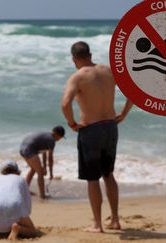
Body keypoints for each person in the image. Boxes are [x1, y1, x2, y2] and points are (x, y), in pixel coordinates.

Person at [61, 41, 132, 233]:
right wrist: (123, 114)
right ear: (90, 55)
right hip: (110, 127)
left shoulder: (77, 77)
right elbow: (133, 92)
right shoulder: (109, 71)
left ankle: (97, 224)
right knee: (108, 175)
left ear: (74, 59)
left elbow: (65, 104)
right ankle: (115, 220)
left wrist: (72, 124)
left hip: (90, 130)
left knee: (93, 179)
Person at [19, 126, 65, 199]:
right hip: (29, 150)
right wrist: (51, 173)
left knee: (34, 169)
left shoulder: (46, 136)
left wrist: (45, 168)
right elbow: (50, 158)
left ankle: (25, 190)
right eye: (60, 137)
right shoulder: (51, 140)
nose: (59, 139)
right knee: (40, 172)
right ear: (57, 135)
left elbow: (44, 153)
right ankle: (42, 195)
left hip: (22, 149)